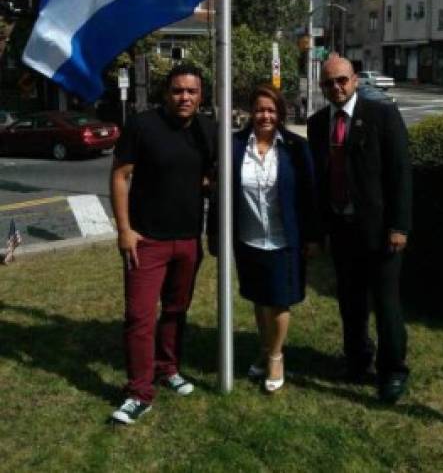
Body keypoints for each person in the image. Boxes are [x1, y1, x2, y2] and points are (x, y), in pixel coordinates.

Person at [110, 63, 215, 424]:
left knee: (175, 310)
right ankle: (139, 392)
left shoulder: (207, 129)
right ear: (166, 93)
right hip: (146, 240)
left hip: (187, 240)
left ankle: (167, 368)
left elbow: (212, 173)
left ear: (201, 95)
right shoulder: (142, 125)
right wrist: (124, 230)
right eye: (177, 90)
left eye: (192, 91)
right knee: (139, 317)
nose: (184, 97)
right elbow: (121, 176)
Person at [307, 55, 412, 403]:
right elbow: (319, 180)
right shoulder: (317, 123)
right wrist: (319, 229)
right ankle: (356, 358)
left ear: (355, 80)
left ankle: (393, 370)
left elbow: (400, 174)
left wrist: (399, 226)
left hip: (381, 231)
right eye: (328, 83)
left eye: (341, 80)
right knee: (350, 301)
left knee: (386, 304)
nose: (335, 87)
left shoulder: (382, 116)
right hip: (341, 228)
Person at [232, 84, 320, 392]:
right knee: (259, 298)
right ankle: (264, 348)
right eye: (259, 109)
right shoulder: (234, 145)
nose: (264, 115)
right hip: (249, 237)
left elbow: (310, 195)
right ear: (250, 113)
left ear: (280, 113)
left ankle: (276, 357)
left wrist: (312, 236)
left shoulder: (295, 147)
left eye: (271, 110)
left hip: (285, 239)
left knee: (279, 301)